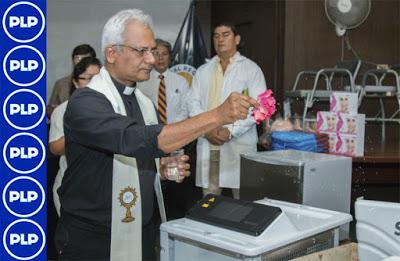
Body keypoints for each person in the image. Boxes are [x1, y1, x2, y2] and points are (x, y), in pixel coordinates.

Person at [55, 9, 258, 261]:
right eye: (141, 51)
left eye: (152, 50)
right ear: (111, 53)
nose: (151, 59)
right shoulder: (85, 103)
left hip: (140, 229)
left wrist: (159, 169)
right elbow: (132, 140)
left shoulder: (144, 103)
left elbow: (137, 154)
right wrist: (217, 115)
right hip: (93, 237)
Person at [186, 22, 267, 199]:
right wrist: (207, 129)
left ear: (237, 39)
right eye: (216, 35)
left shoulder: (251, 69)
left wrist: (230, 131)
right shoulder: (203, 70)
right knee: (210, 202)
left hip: (239, 145)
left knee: (244, 201)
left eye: (225, 34)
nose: (220, 39)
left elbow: (260, 107)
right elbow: (192, 102)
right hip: (209, 144)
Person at [137, 38, 201, 219]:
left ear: (170, 57)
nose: (160, 58)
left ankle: (177, 220)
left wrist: (173, 131)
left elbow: (186, 110)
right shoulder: (142, 82)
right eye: (156, 53)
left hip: (178, 140)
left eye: (164, 54)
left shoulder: (181, 81)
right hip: (151, 141)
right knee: (155, 184)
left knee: (178, 185)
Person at [49, 57, 101, 216]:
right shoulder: (63, 110)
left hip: (103, 187)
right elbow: (55, 148)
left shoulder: (116, 108)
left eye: (96, 78)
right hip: (72, 187)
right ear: (76, 82)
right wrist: (81, 131)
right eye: (85, 78)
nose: (91, 83)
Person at [47, 44, 96, 118]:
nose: (81, 61)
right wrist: (54, 110)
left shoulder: (101, 82)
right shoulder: (61, 84)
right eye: (77, 58)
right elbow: (50, 109)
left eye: (85, 58)